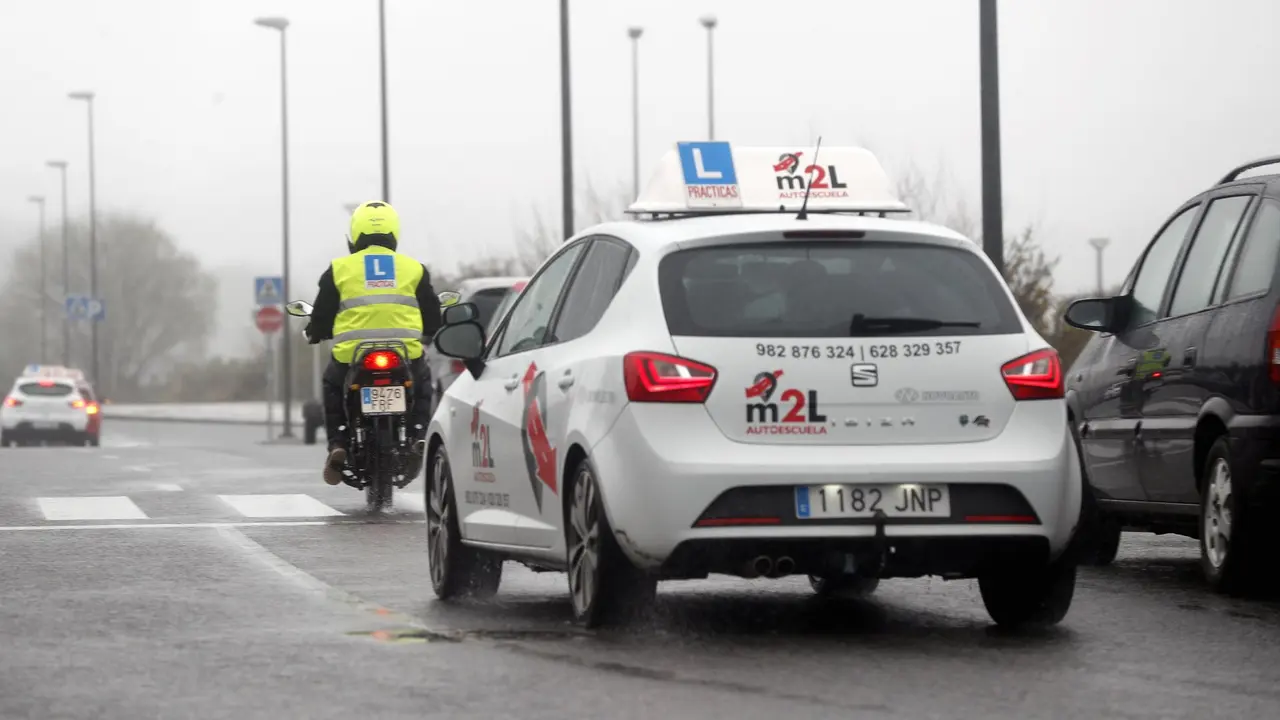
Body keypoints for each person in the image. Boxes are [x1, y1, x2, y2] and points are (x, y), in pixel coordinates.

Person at [304, 201, 442, 486]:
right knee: (424, 382)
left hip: (352, 357)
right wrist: (430, 333)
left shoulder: (339, 269)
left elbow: (322, 314)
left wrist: (315, 332)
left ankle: (339, 442)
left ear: (355, 234)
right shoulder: (414, 269)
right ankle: (417, 434)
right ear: (394, 233)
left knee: (332, 386)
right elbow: (431, 316)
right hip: (404, 355)